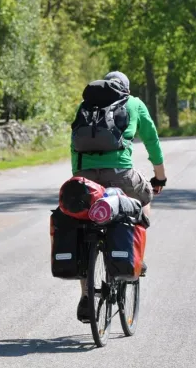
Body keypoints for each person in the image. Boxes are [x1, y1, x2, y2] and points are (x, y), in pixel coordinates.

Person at [70, 71, 167, 323]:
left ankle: (86, 295)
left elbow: (74, 143)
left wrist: (80, 178)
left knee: (83, 229)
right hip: (121, 176)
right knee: (144, 198)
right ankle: (136, 255)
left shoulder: (86, 106)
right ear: (126, 88)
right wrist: (160, 177)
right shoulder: (133, 103)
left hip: (84, 178)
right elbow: (152, 140)